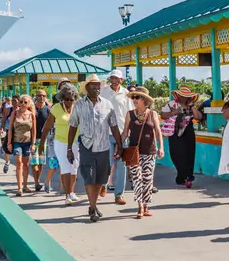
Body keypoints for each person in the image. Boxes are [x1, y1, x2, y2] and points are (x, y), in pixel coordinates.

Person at [67, 74, 122, 223]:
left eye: (98, 85)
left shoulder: (107, 104)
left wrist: (120, 144)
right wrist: (69, 148)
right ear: (87, 88)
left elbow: (114, 126)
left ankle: (94, 205)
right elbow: (72, 127)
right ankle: (92, 207)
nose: (97, 87)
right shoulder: (79, 105)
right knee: (89, 178)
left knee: (100, 179)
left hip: (103, 147)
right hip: (86, 146)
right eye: (93, 85)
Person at [119, 86, 163, 218]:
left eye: (137, 97)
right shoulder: (130, 114)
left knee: (147, 179)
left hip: (150, 151)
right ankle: (139, 206)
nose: (134, 99)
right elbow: (125, 132)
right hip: (134, 152)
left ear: (144, 99)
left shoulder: (152, 114)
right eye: (133, 97)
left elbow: (157, 131)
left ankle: (146, 206)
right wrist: (119, 146)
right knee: (137, 179)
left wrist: (161, 148)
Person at [41, 80, 80, 204]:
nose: (69, 102)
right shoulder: (56, 108)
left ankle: (72, 191)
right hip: (60, 142)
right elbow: (47, 127)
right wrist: (42, 143)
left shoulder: (78, 107)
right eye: (67, 99)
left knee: (74, 167)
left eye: (72, 99)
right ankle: (67, 195)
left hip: (76, 142)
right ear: (62, 98)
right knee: (65, 166)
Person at [102, 69, 131, 205]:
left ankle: (119, 194)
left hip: (121, 134)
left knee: (121, 165)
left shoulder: (126, 94)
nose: (113, 81)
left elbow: (129, 114)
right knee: (107, 163)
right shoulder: (103, 91)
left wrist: (127, 132)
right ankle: (102, 185)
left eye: (116, 78)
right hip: (106, 133)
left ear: (121, 80)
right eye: (112, 78)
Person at [168, 87, 203, 187]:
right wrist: (173, 113)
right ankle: (181, 174)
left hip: (188, 132)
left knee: (189, 154)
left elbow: (198, 117)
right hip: (175, 132)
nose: (184, 97)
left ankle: (187, 177)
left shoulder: (191, 107)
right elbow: (163, 115)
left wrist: (192, 106)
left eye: (187, 96)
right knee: (175, 154)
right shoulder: (172, 105)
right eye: (183, 95)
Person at [7, 95, 38, 196]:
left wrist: (33, 144)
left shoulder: (31, 115)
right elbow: (10, 129)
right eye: (21, 102)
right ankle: (19, 188)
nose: (23, 104)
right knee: (19, 163)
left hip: (28, 142)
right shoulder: (14, 113)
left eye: (25, 102)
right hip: (17, 142)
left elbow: (34, 131)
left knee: (26, 164)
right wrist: (9, 143)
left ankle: (25, 185)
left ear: (29, 104)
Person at [31, 91, 52, 192]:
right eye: (39, 95)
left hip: (44, 140)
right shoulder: (31, 108)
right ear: (36, 96)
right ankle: (36, 182)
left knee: (40, 162)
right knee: (34, 161)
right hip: (32, 140)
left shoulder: (48, 110)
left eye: (44, 95)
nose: (41, 97)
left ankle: (38, 181)